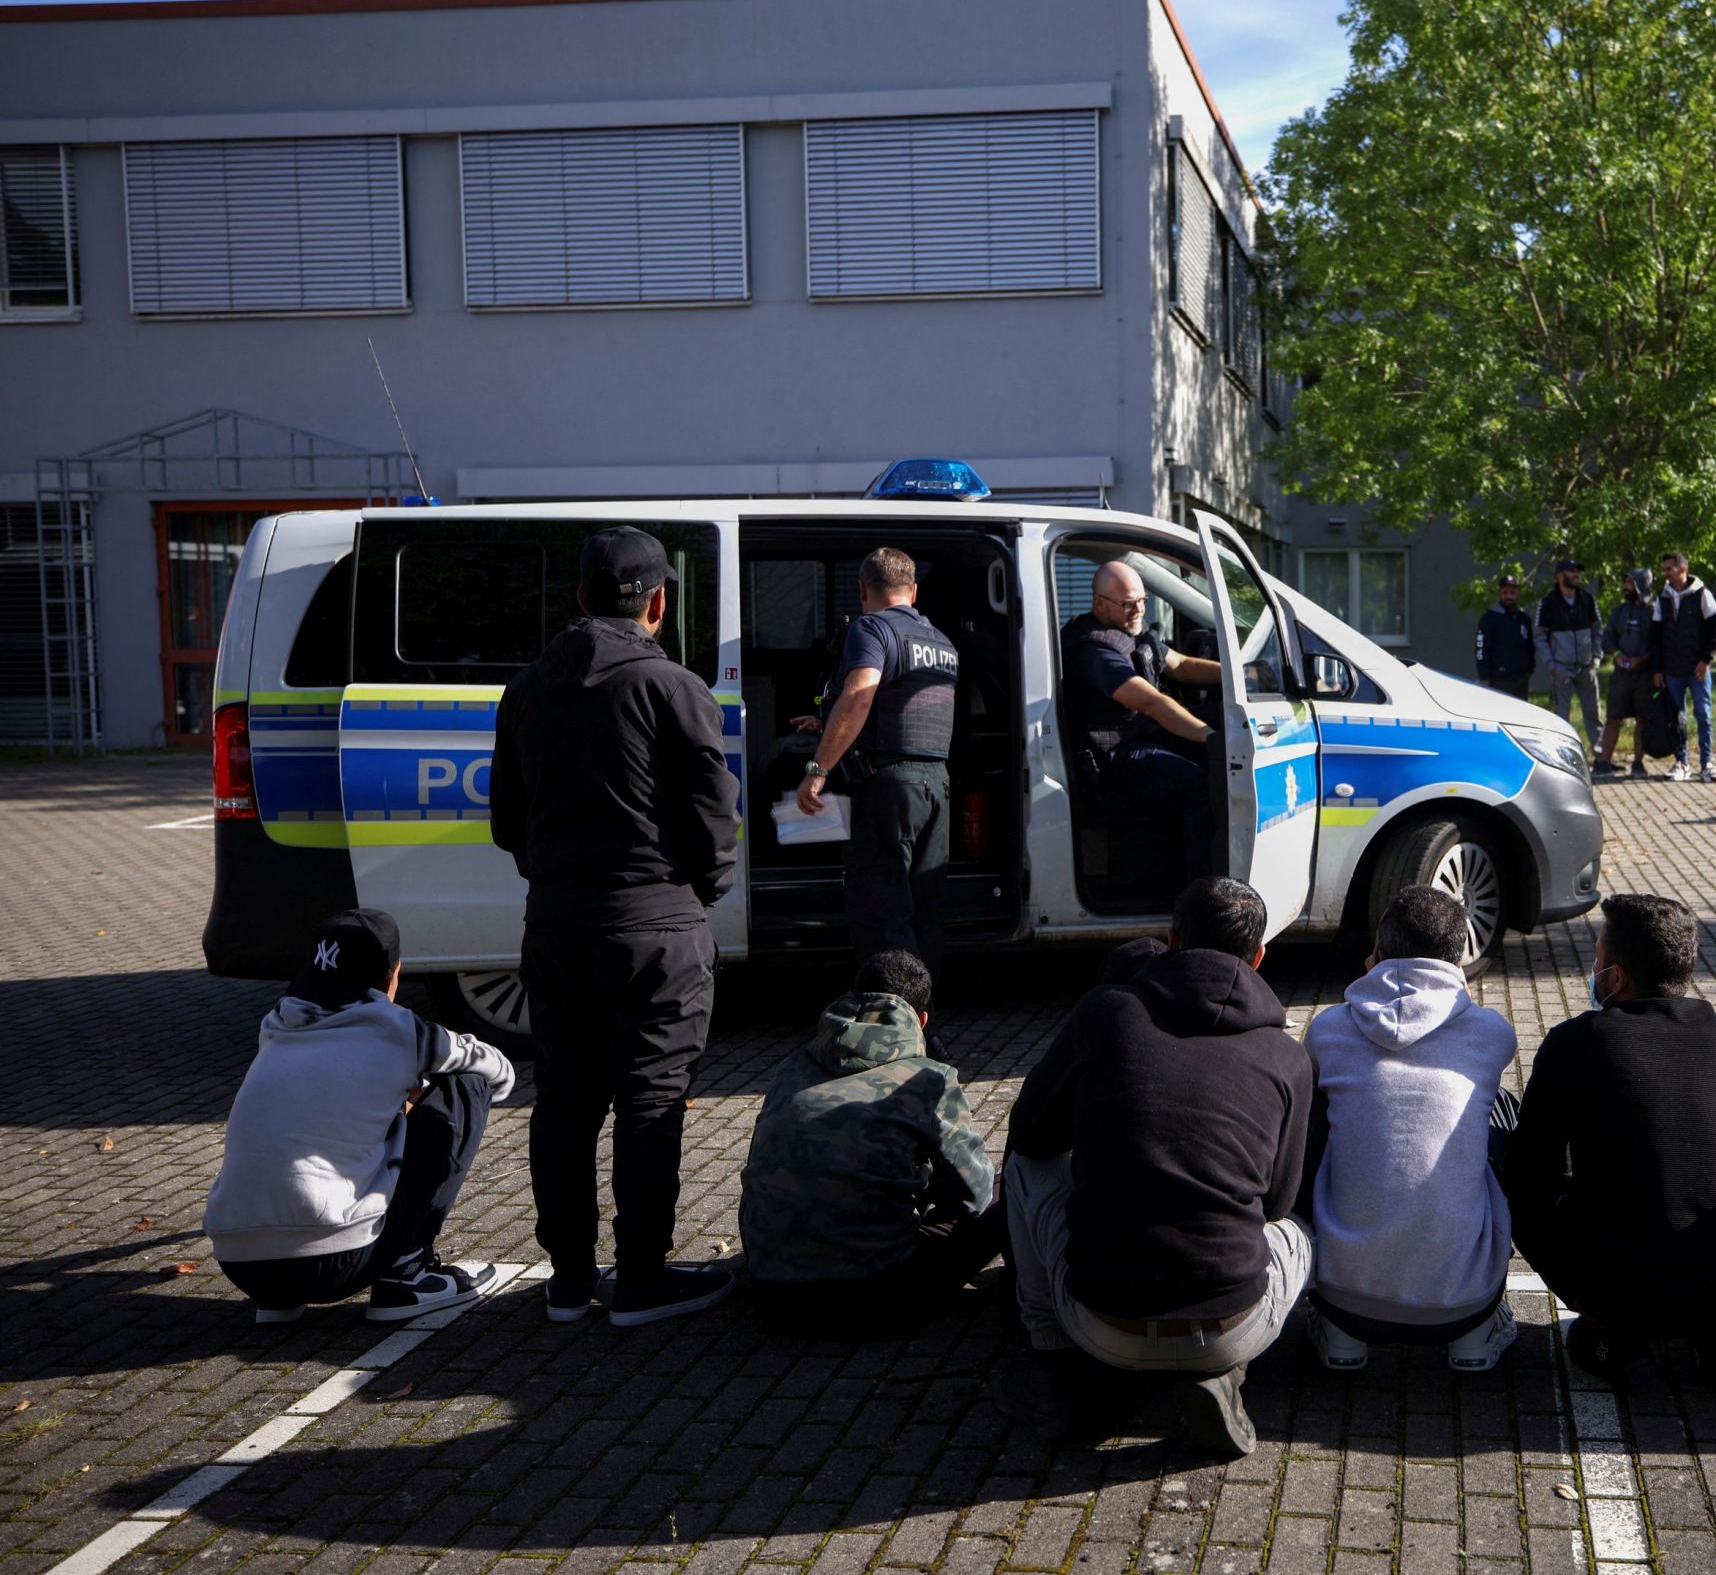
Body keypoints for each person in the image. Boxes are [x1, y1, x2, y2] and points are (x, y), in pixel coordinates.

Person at [490, 525, 740, 1328]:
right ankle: (639, 1280)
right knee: (651, 1100)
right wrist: (707, 886)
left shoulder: (527, 688)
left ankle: (567, 1281)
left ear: (579, 598)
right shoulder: (673, 687)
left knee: (564, 1098)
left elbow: (505, 821)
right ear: (659, 602)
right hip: (656, 926)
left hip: (558, 923)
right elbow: (712, 811)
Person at [995, 877, 1313, 1456]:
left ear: (1171, 941)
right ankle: (1225, 1373)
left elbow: (1031, 1133)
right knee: (1301, 1234)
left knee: (1023, 1165)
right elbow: (1279, 1203)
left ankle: (1051, 1357)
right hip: (1232, 1323)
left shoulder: (1106, 1013)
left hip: (1097, 1322)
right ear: (1260, 956)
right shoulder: (1288, 1057)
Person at [1503, 894, 1716, 1381]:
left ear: (1617, 977)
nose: (1593, 970)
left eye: (1597, 958)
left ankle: (1614, 1334)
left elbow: (1532, 1167)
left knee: (1519, 1189)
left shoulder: (1577, 1041)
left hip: (1625, 1290)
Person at [204, 910, 512, 1325]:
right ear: (393, 974)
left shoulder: (276, 1025)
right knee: (466, 1084)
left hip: (240, 1267)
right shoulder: (401, 1029)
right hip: (335, 1264)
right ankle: (407, 1274)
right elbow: (496, 1069)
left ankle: (279, 1301)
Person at [1300, 886, 1520, 1373]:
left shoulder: (1327, 1029)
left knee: (1319, 1112)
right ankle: (1477, 1338)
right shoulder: (1493, 1033)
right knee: (1500, 1108)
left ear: (1376, 950)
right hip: (1463, 1303)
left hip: (1342, 1298)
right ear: (1458, 957)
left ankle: (1338, 1336)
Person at [738, 949, 1003, 1330]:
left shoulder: (790, 1067)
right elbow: (971, 1195)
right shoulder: (929, 1078)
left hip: (772, 1294)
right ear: (922, 1019)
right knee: (1009, 1187)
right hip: (876, 1299)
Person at [795, 549, 962, 974]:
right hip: (936, 785)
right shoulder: (939, 640)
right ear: (914, 591)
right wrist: (828, 723)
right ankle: (926, 1025)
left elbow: (860, 696)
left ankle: (890, 1028)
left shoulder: (871, 627)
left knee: (883, 913)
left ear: (863, 589)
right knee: (924, 913)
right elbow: (902, 707)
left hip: (889, 788)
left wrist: (818, 770)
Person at [1059, 559, 1225, 876]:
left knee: (1224, 732)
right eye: (1128, 604)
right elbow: (1153, 704)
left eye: (1142, 601)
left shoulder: (1131, 629)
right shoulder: (1097, 651)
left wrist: (1240, 676)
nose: (1138, 610)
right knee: (1201, 786)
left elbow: (1181, 666)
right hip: (1112, 756)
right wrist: (1209, 737)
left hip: (1140, 734)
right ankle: (1202, 889)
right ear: (1099, 603)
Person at [1650, 552, 1716, 783]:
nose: (1665, 574)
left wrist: (1706, 659)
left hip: (1697, 669)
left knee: (1703, 714)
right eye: (1664, 570)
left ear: (1683, 569)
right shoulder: (1662, 598)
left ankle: (1707, 763)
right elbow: (1655, 635)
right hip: (1672, 669)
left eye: (1669, 569)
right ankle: (1681, 762)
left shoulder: (1702, 594)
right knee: (1676, 717)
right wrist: (1657, 669)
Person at [1592, 568, 1655, 777]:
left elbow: (1659, 645)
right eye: (1625, 582)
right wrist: (1617, 654)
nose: (1624, 587)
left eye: (1629, 583)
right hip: (1621, 675)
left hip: (1645, 675)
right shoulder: (1618, 611)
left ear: (1641, 585)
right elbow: (1607, 638)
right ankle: (1603, 763)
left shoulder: (1654, 612)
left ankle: (1638, 763)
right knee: (1613, 718)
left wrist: (1641, 659)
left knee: (1642, 719)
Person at [1536, 559, 1603, 744]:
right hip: (1561, 668)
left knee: (1594, 712)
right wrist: (1551, 665)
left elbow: (1598, 630)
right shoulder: (1548, 602)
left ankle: (1601, 759)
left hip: (1587, 666)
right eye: (1571, 571)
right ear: (1559, 575)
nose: (1576, 575)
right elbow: (1540, 637)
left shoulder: (1587, 599)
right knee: (1561, 716)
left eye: (1577, 571)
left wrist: (1596, 657)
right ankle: (1563, 754)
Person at [1474, 574, 1535, 700]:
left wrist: (1529, 668)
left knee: (1520, 717)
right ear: (1499, 593)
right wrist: (1484, 677)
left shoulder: (1524, 619)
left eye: (1512, 593)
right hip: (1498, 680)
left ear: (1518, 594)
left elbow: (1530, 647)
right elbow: (1481, 648)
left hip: (1521, 679)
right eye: (1505, 592)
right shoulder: (1489, 618)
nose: (1509, 596)